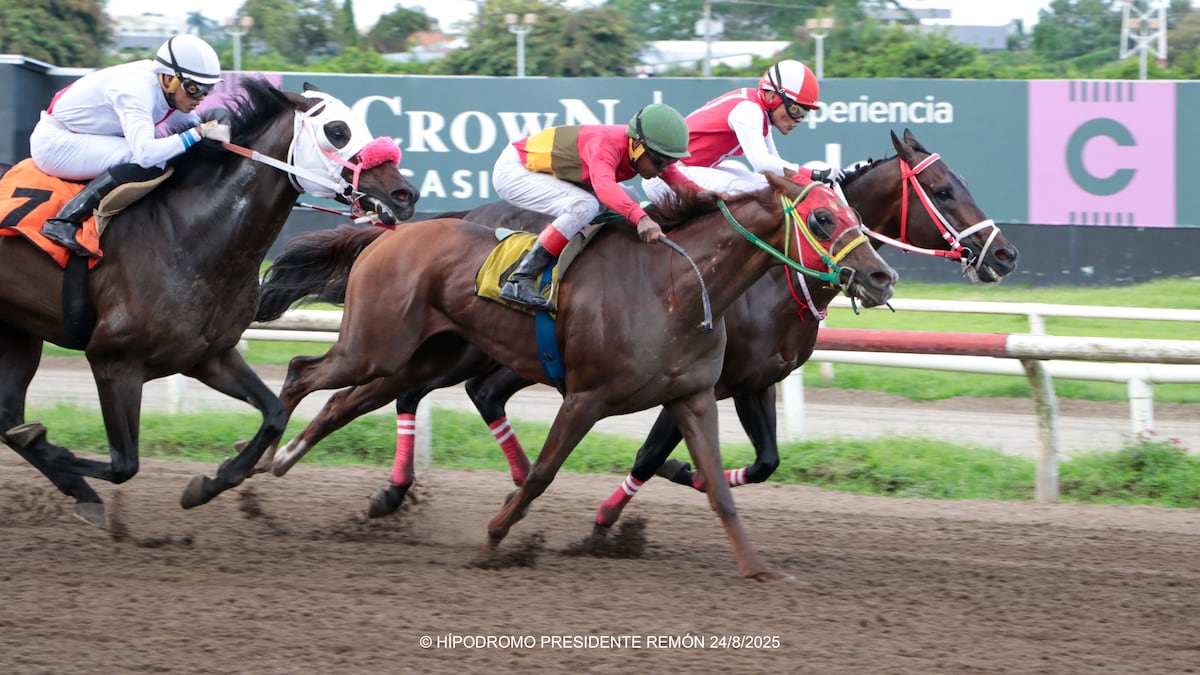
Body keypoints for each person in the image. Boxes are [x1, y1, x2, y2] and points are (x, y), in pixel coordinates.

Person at [29, 34, 231, 256]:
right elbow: (146, 154)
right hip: (55, 144)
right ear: (168, 78)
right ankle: (64, 220)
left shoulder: (166, 91)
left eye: (207, 90)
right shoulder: (136, 90)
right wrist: (199, 132)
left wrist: (218, 133)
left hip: (77, 136)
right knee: (151, 160)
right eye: (194, 89)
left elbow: (194, 125)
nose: (201, 98)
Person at [492, 102, 705, 311]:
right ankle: (521, 279)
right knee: (584, 206)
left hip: (549, 171)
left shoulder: (638, 150)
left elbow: (677, 180)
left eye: (669, 162)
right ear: (638, 146)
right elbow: (604, 188)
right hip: (515, 170)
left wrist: (710, 197)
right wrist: (641, 218)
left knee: (629, 196)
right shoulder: (605, 144)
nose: (664, 169)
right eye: (660, 161)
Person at [642, 59, 844, 203]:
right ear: (773, 96)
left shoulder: (759, 110)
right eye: (796, 109)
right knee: (751, 192)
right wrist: (814, 174)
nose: (798, 119)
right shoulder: (749, 110)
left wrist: (817, 179)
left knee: (764, 186)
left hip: (681, 172)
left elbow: (773, 169)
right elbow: (762, 163)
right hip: (665, 178)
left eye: (804, 113)